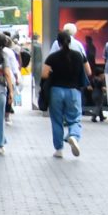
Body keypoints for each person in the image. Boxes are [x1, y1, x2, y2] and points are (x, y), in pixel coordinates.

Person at [40, 26, 88, 158]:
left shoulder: (53, 57)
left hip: (56, 91)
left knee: (57, 120)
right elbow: (88, 71)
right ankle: (73, 135)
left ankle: (59, 149)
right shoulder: (79, 56)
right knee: (74, 119)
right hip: (73, 91)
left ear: (58, 43)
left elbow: (44, 74)